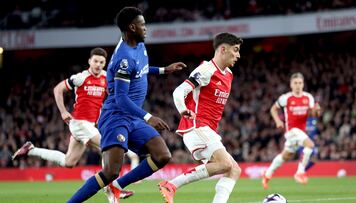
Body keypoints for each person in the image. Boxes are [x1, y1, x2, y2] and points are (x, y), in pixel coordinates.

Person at [66, 7, 186, 203]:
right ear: (132, 27)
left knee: (162, 155)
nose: (146, 28)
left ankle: (117, 187)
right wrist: (149, 117)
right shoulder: (124, 57)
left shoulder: (138, 45)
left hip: (132, 117)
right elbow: (121, 98)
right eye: (142, 25)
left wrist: (165, 70)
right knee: (111, 171)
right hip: (116, 117)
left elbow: (142, 69)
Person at [11, 47, 134, 200]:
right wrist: (63, 111)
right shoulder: (80, 78)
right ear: (89, 61)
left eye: (101, 62)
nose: (98, 64)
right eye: (95, 61)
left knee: (69, 162)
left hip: (90, 126)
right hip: (79, 123)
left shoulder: (105, 78)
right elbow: (58, 89)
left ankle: (31, 150)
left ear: (104, 63)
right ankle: (113, 188)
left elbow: (112, 97)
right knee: (109, 146)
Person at [158, 32, 243, 203]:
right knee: (226, 164)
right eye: (235, 50)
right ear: (223, 49)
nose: (238, 55)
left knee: (234, 170)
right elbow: (179, 91)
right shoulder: (206, 70)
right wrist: (182, 110)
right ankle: (171, 185)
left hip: (208, 130)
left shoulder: (228, 74)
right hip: (196, 126)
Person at [261, 72, 321, 189]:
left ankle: (267, 175)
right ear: (291, 85)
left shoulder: (308, 98)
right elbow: (273, 109)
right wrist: (278, 121)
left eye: (300, 83)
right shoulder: (286, 98)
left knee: (285, 156)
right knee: (310, 145)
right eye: (295, 83)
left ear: (303, 84)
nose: (298, 85)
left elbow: (313, 114)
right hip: (291, 131)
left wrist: (317, 111)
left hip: (301, 132)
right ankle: (300, 172)